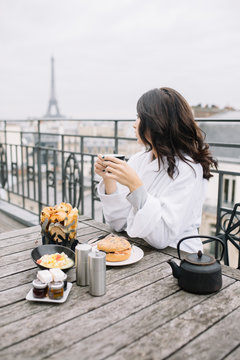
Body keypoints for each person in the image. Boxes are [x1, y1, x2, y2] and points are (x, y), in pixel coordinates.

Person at [95, 87, 218, 253]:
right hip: (141, 249)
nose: (134, 124)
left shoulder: (189, 169)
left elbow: (161, 238)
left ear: (155, 122)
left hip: (179, 255)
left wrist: (135, 186)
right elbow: (119, 223)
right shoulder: (139, 159)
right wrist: (109, 180)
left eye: (139, 117)